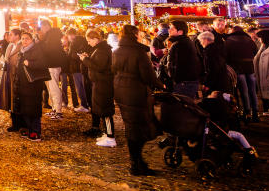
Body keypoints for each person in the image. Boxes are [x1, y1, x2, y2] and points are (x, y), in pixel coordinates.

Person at [113, 25, 163, 176]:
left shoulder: (117, 51)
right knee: (140, 127)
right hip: (136, 92)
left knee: (131, 126)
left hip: (121, 90)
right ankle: (136, 164)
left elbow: (113, 69)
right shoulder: (139, 53)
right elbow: (148, 75)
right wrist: (161, 85)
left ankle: (136, 162)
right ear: (135, 35)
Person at [81, 28, 116, 147]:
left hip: (103, 83)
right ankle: (107, 134)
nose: (88, 43)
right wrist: (88, 58)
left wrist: (85, 59)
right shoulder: (100, 49)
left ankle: (111, 137)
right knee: (102, 109)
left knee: (106, 110)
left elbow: (99, 67)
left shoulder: (101, 50)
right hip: (100, 83)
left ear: (95, 39)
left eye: (89, 40)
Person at [226, 24, 260, 122]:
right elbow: (255, 52)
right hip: (250, 68)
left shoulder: (229, 41)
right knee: (252, 91)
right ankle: (255, 112)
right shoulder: (249, 40)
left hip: (238, 68)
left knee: (244, 91)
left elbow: (226, 56)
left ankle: (247, 112)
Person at [165, 20, 201, 99]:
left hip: (183, 83)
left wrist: (172, 79)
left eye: (172, 29)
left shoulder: (178, 44)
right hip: (190, 81)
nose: (169, 30)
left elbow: (173, 65)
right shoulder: (187, 41)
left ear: (180, 32)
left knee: (180, 108)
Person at [0, 28, 22, 132]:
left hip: (16, 77)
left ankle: (18, 124)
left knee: (16, 99)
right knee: (10, 99)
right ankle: (14, 122)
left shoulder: (21, 46)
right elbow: (6, 59)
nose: (9, 36)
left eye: (11, 34)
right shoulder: (10, 46)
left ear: (17, 36)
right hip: (8, 75)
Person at [63, 29, 91, 113]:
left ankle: (84, 105)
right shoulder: (83, 41)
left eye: (71, 35)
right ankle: (88, 105)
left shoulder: (75, 42)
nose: (70, 37)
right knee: (84, 87)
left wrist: (68, 54)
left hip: (77, 68)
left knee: (81, 88)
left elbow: (72, 55)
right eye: (69, 35)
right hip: (82, 68)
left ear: (74, 35)